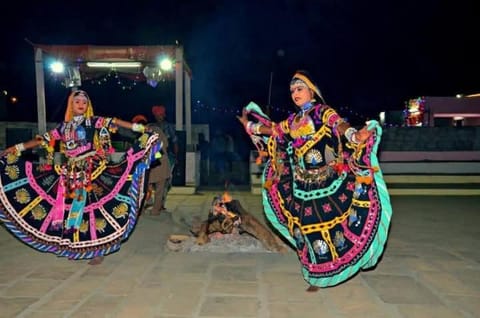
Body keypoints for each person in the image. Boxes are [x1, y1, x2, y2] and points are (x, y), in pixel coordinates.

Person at [237, 70, 393, 291]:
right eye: (292, 90)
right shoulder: (293, 120)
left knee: (333, 226)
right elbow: (272, 130)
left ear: (312, 91)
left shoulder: (322, 112)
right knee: (307, 229)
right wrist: (249, 126)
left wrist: (354, 136)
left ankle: (338, 267)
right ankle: (317, 273)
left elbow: (339, 125)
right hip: (301, 185)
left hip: (328, 182)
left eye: (299, 89)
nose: (295, 94)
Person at [0, 90, 162, 265]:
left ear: (88, 106)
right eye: (77, 101)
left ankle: (97, 250)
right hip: (68, 175)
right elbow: (41, 140)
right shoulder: (64, 127)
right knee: (69, 212)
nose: (80, 104)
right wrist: (16, 148)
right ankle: (73, 245)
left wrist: (141, 128)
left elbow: (115, 122)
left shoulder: (94, 121)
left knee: (92, 211)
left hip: (91, 173)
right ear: (71, 104)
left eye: (84, 102)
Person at [149, 105, 178, 210]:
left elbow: (174, 142)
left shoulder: (168, 127)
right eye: (158, 114)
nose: (160, 116)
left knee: (166, 181)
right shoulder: (151, 126)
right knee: (152, 179)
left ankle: (160, 203)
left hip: (166, 155)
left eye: (161, 114)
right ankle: (152, 202)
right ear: (155, 115)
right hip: (155, 156)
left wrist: (176, 156)